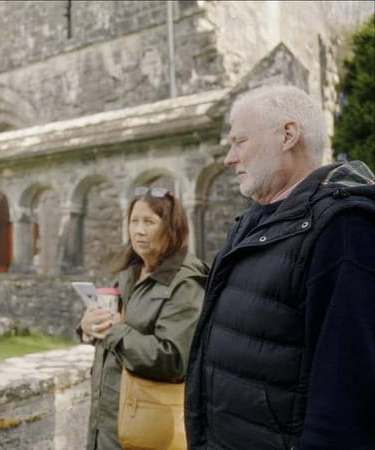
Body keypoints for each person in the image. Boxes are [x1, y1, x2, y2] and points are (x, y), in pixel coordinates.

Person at [185, 85, 375, 449]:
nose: (228, 158)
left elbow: (345, 403)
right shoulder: (253, 224)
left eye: (239, 141)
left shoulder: (344, 229)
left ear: (287, 135)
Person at [79, 187, 209, 449]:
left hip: (148, 426)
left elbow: (173, 358)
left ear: (171, 227)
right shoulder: (130, 273)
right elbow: (111, 329)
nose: (138, 230)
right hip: (108, 423)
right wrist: (87, 327)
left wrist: (115, 331)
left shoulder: (185, 282)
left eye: (149, 222)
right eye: (134, 221)